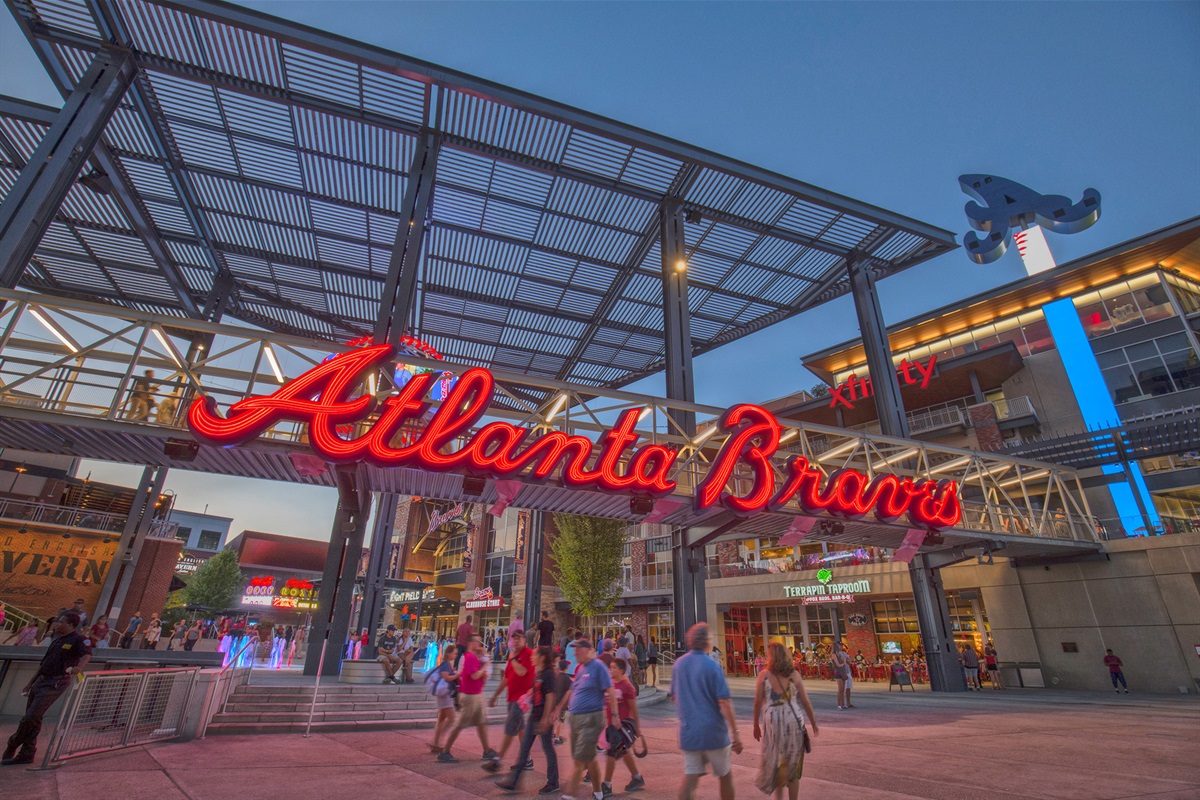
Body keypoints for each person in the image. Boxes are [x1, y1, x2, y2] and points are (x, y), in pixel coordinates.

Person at [3, 612, 91, 765]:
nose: (57, 624)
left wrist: (79, 667)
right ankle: (27, 754)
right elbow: (44, 664)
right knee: (35, 719)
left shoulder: (79, 640)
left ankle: (13, 743)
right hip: (41, 681)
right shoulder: (56, 640)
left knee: (30, 717)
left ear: (71, 624)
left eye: (61, 622)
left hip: (56, 683)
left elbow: (87, 655)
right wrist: (31, 682)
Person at [671, 623, 742, 800]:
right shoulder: (712, 665)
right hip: (714, 733)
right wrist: (736, 733)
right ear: (707, 641)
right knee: (725, 776)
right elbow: (724, 701)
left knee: (690, 779)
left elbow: (674, 696)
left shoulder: (679, 665)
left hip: (690, 733)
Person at [548, 638, 618, 800]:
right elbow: (571, 690)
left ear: (589, 650)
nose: (576, 652)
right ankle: (599, 793)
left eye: (579, 649)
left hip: (592, 718)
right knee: (587, 757)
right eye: (575, 649)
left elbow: (611, 691)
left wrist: (614, 716)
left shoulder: (598, 667)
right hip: (576, 719)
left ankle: (569, 794)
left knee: (580, 759)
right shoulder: (580, 669)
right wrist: (558, 709)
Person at [753, 642, 818, 800]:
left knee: (777, 761)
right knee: (793, 764)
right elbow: (805, 701)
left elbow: (757, 701)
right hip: (794, 719)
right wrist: (813, 723)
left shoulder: (764, 675)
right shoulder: (794, 675)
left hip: (773, 721)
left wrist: (756, 724)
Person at [496, 645, 560, 794]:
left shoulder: (548, 674)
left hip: (543, 717)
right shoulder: (539, 673)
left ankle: (553, 782)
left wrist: (545, 719)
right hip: (534, 716)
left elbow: (550, 697)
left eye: (535, 654)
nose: (532, 656)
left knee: (548, 748)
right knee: (524, 749)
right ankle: (513, 782)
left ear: (542, 658)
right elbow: (538, 691)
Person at [438, 635, 497, 763]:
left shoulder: (473, 658)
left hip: (476, 693)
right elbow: (475, 675)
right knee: (460, 724)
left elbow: (480, 675)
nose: (479, 644)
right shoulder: (469, 657)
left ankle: (487, 750)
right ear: (471, 643)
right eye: (476, 642)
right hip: (470, 695)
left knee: (481, 722)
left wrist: (483, 660)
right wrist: (485, 666)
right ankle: (445, 751)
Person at [485, 628, 534, 772]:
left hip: (521, 699)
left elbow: (522, 671)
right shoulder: (512, 656)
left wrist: (512, 658)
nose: (517, 640)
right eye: (514, 638)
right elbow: (506, 677)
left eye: (519, 637)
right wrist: (495, 696)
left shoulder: (528, 654)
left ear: (525, 640)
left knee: (510, 727)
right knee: (520, 729)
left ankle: (498, 759)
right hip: (511, 697)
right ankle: (528, 759)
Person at [601, 658, 645, 795]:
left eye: (614, 668)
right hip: (611, 727)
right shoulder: (610, 684)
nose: (611, 670)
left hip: (622, 727)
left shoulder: (627, 687)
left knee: (611, 754)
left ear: (621, 670)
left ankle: (606, 785)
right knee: (624, 753)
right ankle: (637, 777)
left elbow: (634, 709)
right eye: (611, 667)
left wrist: (638, 728)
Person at [428, 647, 459, 754]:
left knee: (441, 719)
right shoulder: (445, 664)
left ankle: (435, 743)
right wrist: (457, 675)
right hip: (445, 695)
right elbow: (446, 678)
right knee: (452, 719)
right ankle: (440, 741)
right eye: (454, 653)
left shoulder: (446, 663)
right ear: (449, 653)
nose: (455, 656)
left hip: (443, 694)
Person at [831, 641, 854, 709]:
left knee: (844, 689)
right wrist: (844, 662)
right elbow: (838, 665)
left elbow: (849, 661)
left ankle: (843, 704)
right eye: (839, 646)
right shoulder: (834, 654)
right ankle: (839, 704)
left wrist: (845, 661)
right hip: (838, 671)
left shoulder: (842, 653)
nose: (840, 647)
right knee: (840, 689)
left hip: (843, 671)